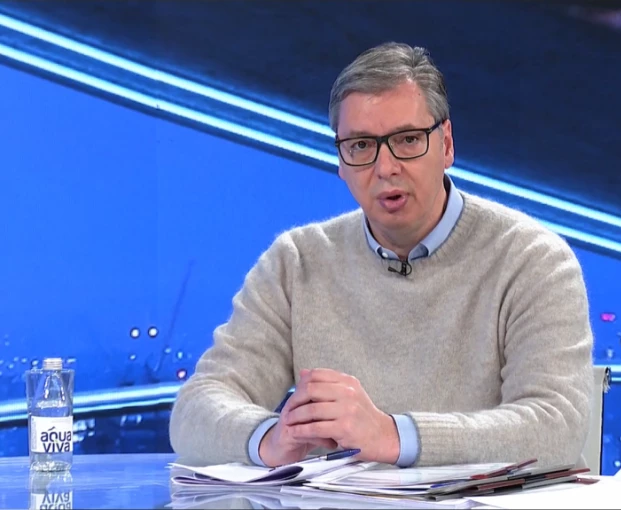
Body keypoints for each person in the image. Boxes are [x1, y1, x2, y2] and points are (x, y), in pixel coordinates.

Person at [169, 41, 594, 469]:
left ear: (446, 145)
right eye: (360, 146)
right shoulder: (297, 263)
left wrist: (392, 435)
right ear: (340, 160)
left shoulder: (532, 260)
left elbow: (557, 426)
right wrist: (268, 439)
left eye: (407, 140)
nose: (385, 167)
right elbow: (196, 407)